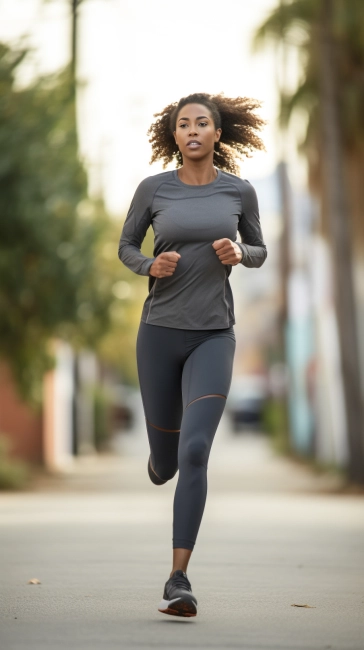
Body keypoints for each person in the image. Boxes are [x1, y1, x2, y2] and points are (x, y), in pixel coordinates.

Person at [118, 92, 267, 618]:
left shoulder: (239, 191)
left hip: (213, 336)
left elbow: (259, 249)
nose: (194, 131)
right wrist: (148, 267)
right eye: (185, 124)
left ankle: (178, 578)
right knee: (166, 460)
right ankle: (160, 461)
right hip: (159, 333)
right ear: (175, 136)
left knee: (196, 449)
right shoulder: (153, 189)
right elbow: (127, 245)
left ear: (218, 134)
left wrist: (240, 252)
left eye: (204, 123)